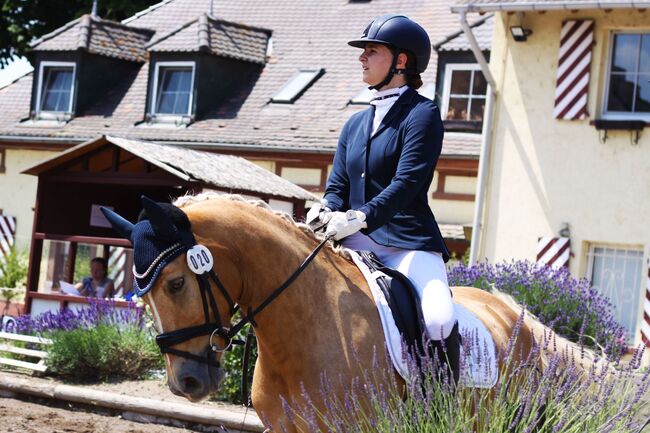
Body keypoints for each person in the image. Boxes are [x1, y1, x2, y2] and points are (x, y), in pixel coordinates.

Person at [307, 14, 460, 383]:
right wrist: (325, 208)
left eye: (371, 51)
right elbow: (338, 185)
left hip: (408, 245)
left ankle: (439, 406)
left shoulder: (422, 115)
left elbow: (408, 183)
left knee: (439, 319)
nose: (362, 58)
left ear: (401, 61)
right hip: (351, 243)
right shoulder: (355, 123)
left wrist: (361, 217)